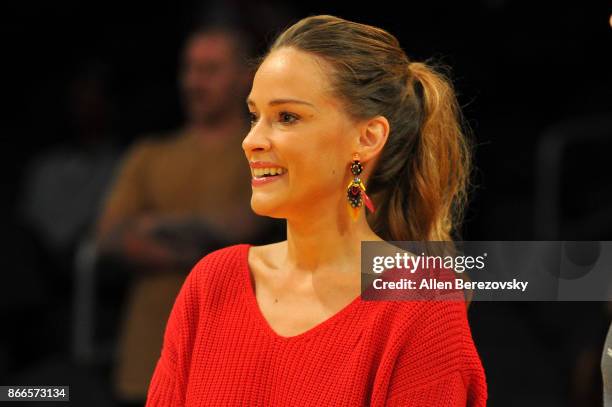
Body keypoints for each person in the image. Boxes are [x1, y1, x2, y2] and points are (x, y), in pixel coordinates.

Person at [145, 14, 487, 406]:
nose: (251, 141)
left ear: (367, 137)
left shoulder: (422, 306)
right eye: (255, 116)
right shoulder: (212, 283)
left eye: (287, 117)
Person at [95, 24, 280, 403]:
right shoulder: (149, 153)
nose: (194, 81)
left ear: (246, 76)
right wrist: (196, 256)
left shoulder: (264, 148)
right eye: (189, 68)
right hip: (146, 362)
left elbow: (244, 223)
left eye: (210, 69)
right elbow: (108, 237)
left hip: (237, 359)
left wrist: (153, 225)